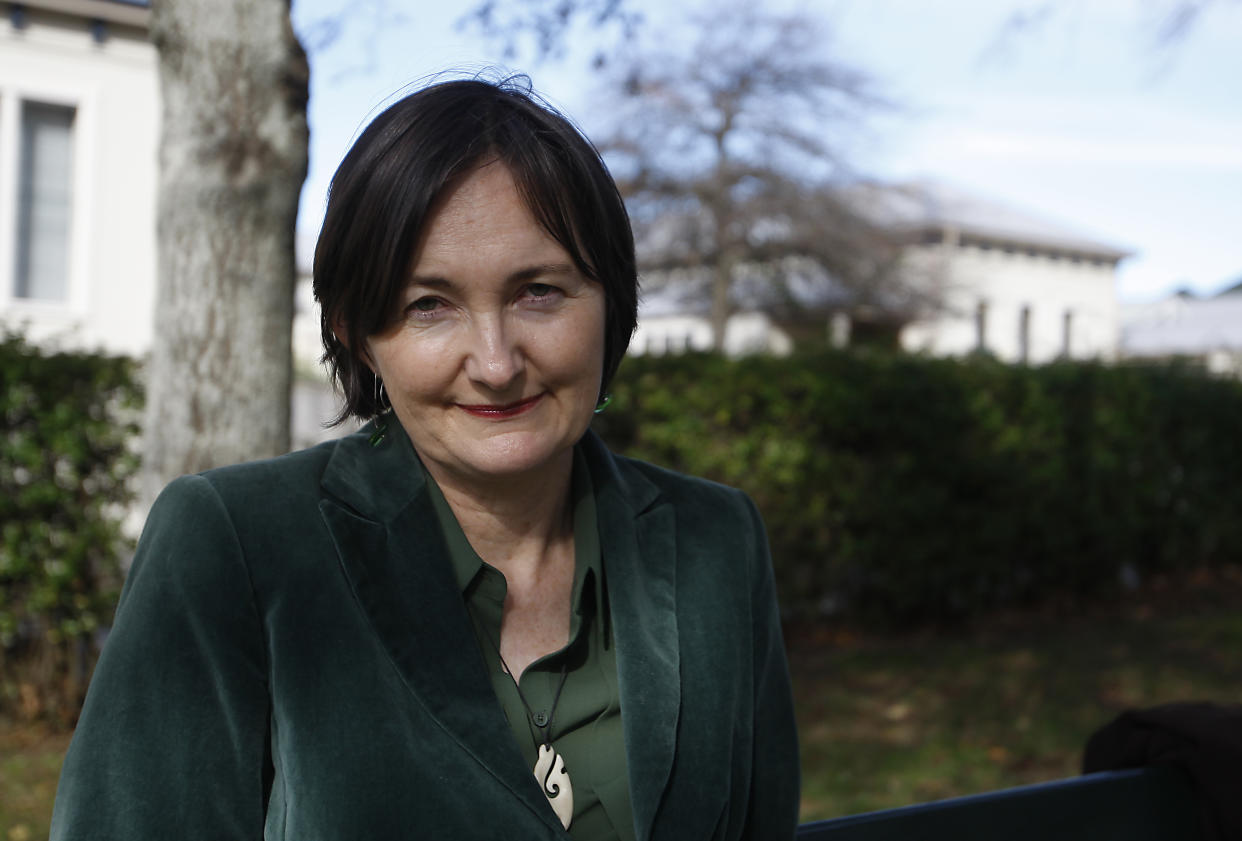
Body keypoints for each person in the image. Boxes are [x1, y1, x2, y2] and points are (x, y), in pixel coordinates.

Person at [50, 76, 800, 841]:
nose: (497, 361)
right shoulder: (238, 546)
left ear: (612, 301)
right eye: (429, 305)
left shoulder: (718, 540)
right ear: (356, 333)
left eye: (538, 292)